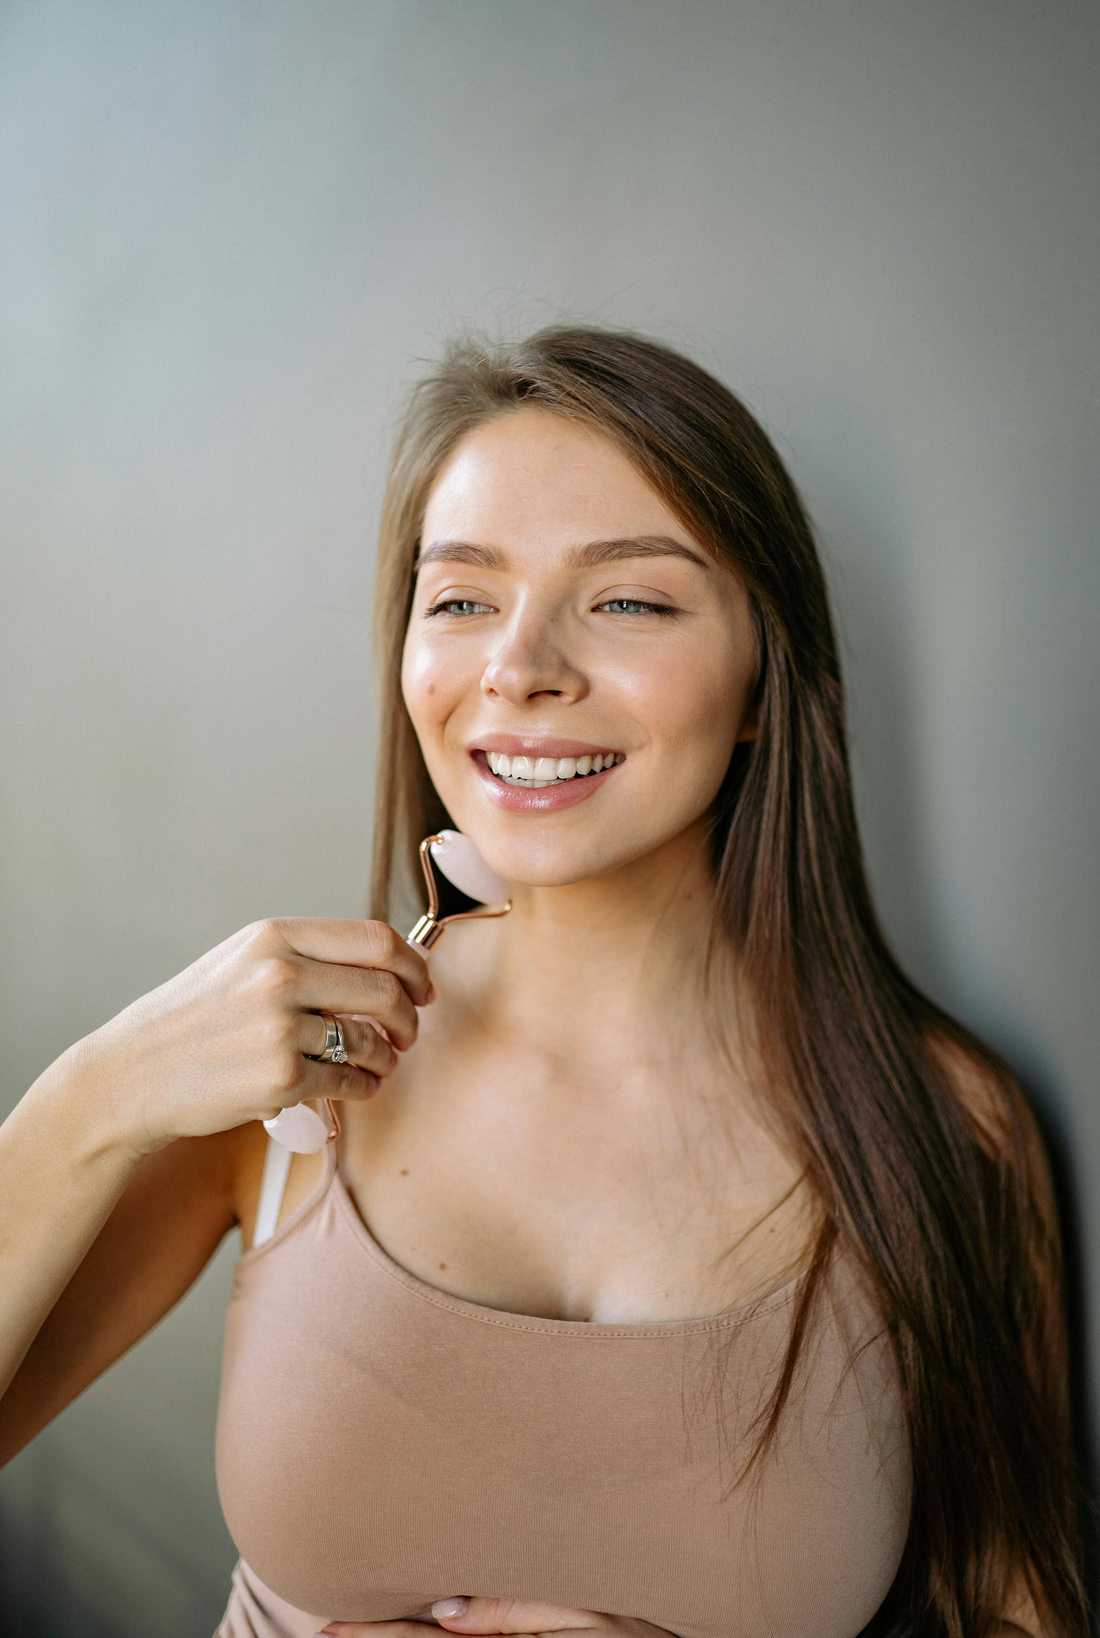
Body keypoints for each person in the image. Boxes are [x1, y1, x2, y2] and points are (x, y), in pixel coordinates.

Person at [0, 326, 1089, 1638]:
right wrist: (91, 1095)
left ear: (762, 678)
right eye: (461, 598)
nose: (519, 666)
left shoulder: (947, 1131)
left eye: (627, 599)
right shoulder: (284, 1066)